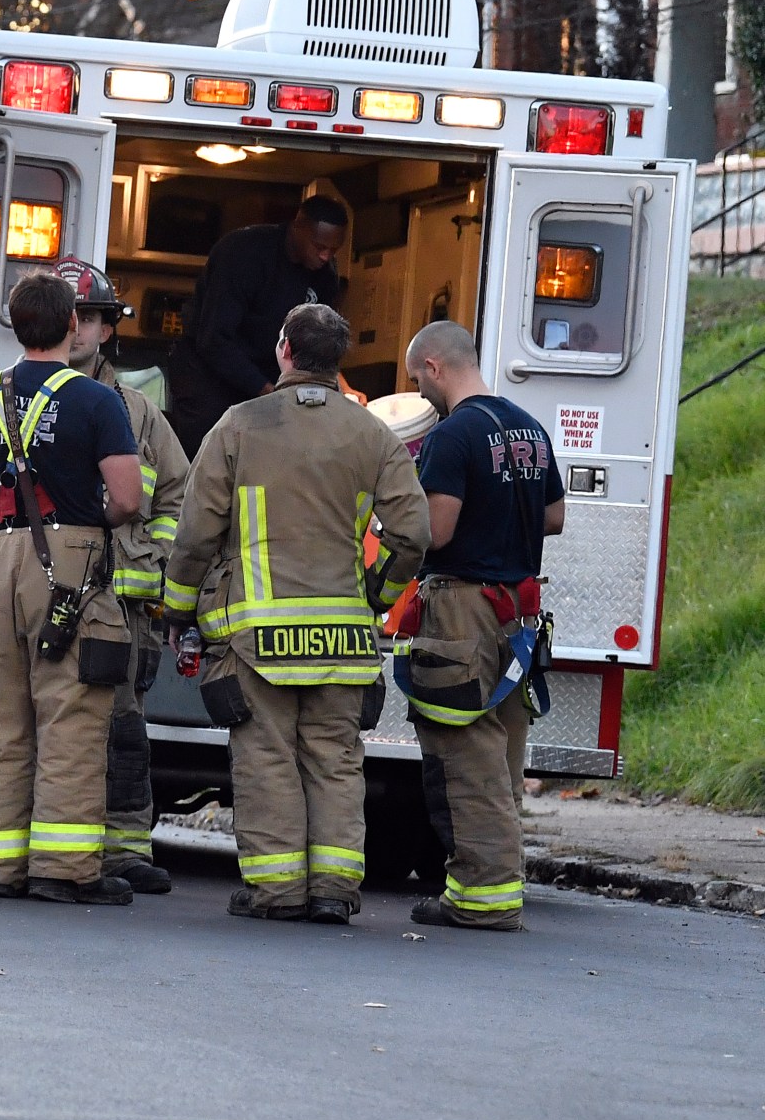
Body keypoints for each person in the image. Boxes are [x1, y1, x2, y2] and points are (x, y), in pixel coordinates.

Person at [161, 304, 428, 925]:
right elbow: (412, 531)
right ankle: (334, 891)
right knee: (335, 759)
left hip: (259, 640)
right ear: (339, 359)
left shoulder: (237, 427)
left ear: (283, 349)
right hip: (342, 638)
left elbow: (197, 533)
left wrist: (178, 607)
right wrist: (376, 595)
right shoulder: (371, 434)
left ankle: (277, 891)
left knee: (267, 758)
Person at [0, 271, 145, 905]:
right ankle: (61, 869)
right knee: (70, 714)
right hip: (67, 561)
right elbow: (126, 497)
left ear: (14, 324)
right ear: (71, 326)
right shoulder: (97, 401)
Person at [398, 320, 565, 931]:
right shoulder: (529, 428)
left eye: (419, 380)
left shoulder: (453, 436)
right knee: (502, 754)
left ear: (436, 366)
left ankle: (481, 895)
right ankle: (494, 883)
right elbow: (554, 516)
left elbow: (436, 532)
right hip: (518, 614)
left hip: (463, 611)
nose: (420, 394)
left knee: (464, 755)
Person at [54, 256, 189, 895]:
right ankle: (51, 846)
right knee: (49, 728)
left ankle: (124, 848)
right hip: (46, 600)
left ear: (108, 329)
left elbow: (178, 499)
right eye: (69, 315)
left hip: (124, 606)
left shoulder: (138, 414)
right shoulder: (11, 397)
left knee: (124, 735)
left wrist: (152, 565)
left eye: (90, 318)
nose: (78, 328)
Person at [166, 197, 350, 455]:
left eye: (333, 250)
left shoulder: (325, 276)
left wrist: (340, 385)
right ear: (298, 227)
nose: (325, 256)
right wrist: (268, 390)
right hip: (208, 373)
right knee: (209, 454)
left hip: (273, 374)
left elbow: (318, 343)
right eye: (319, 246)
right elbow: (214, 339)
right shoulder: (242, 254)